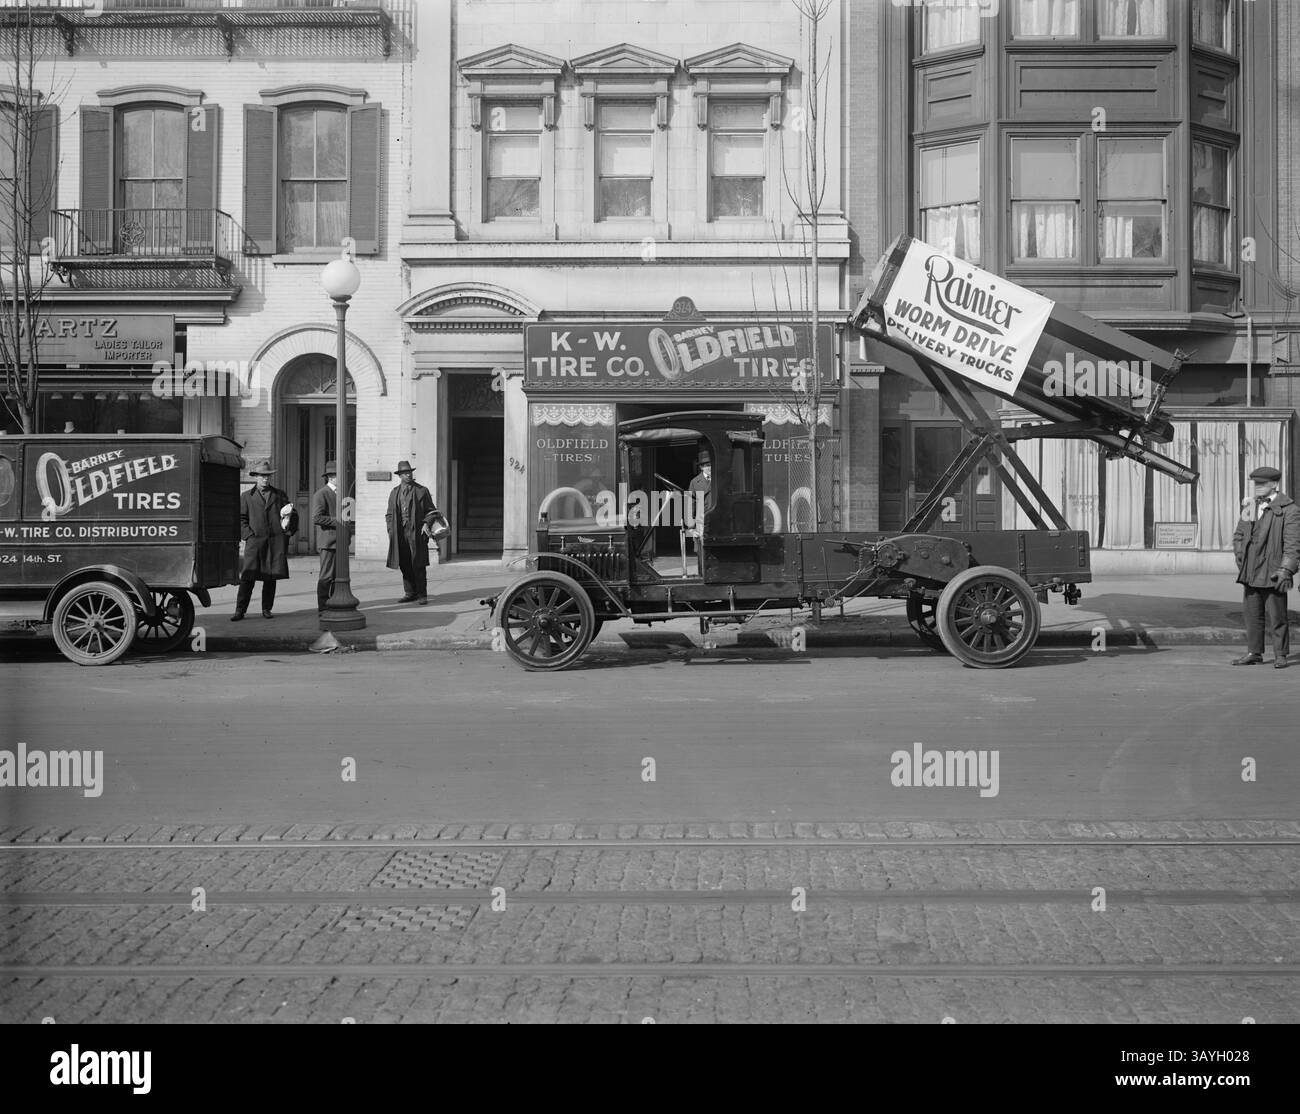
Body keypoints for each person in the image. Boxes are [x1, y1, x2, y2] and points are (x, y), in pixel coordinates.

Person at [1231, 465, 1300, 668]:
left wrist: (1286, 569)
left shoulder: (1290, 510)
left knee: (1278, 616)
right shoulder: (1250, 507)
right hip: (1251, 570)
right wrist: (1240, 557)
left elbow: (1293, 544)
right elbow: (1239, 534)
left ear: (1274, 484)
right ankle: (1254, 652)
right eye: (1256, 483)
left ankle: (1281, 654)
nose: (1258, 487)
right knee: (1252, 615)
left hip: (1274, 571)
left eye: (1262, 484)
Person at [233, 459, 297, 621]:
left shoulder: (279, 494)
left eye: (268, 476)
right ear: (255, 477)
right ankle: (240, 610)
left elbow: (292, 514)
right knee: (248, 578)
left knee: (270, 578)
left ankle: (266, 609)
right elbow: (240, 519)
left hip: (275, 543)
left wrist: (288, 532)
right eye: (262, 476)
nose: (265, 479)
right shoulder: (247, 496)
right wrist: (249, 535)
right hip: (255, 544)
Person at [385, 460, 437, 605]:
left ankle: (422, 594)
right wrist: (391, 530)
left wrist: (427, 523)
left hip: (416, 533)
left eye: (409, 472)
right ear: (400, 475)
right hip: (399, 534)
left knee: (418, 564)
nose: (408, 475)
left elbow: (432, 512)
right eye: (405, 473)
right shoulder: (394, 492)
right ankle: (410, 592)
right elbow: (389, 514)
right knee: (404, 563)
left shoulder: (422, 490)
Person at [311, 460, 343, 617]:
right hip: (327, 542)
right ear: (331, 477)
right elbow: (316, 518)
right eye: (338, 475)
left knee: (337, 576)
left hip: (339, 542)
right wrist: (336, 521)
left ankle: (332, 603)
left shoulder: (340, 493)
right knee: (326, 575)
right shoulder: (321, 494)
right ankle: (323, 607)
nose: (341, 477)